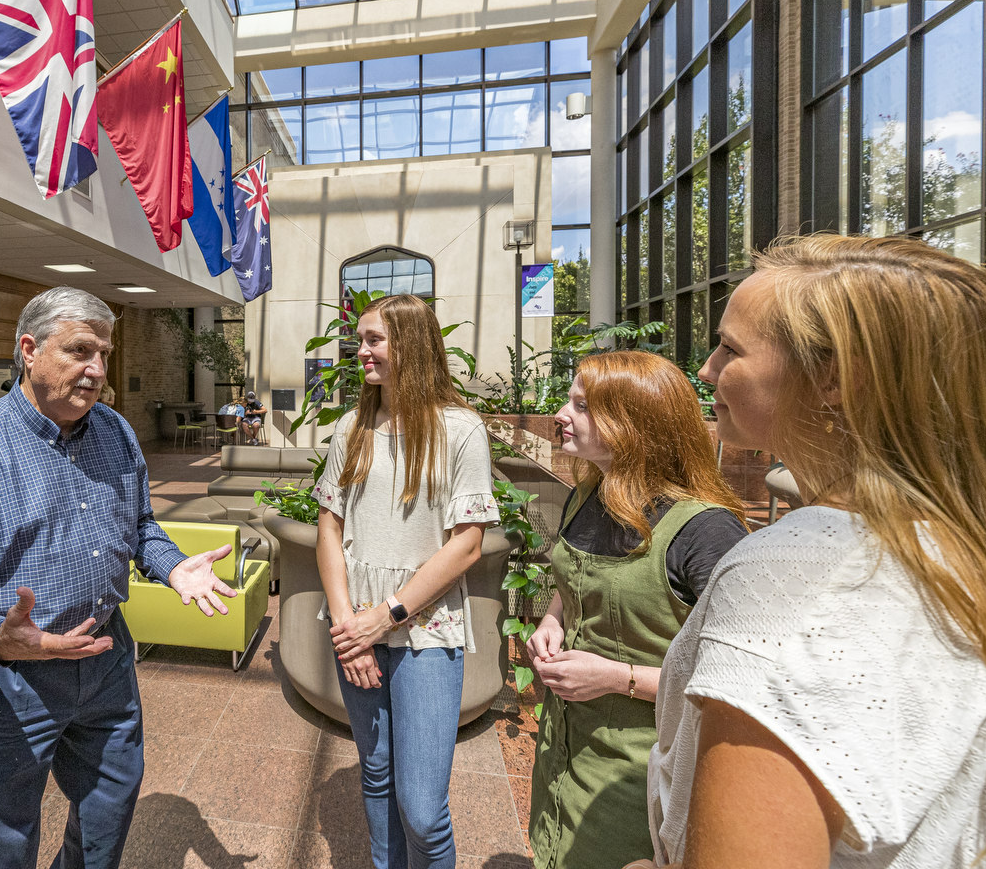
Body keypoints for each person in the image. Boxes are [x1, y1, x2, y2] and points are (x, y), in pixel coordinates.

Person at [646, 234, 986, 868]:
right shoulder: (957, 545)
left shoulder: (788, 575)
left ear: (833, 376)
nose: (707, 371)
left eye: (730, 349)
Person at [0, 286, 239, 869]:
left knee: (110, 809)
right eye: (80, 351)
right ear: (29, 350)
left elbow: (141, 526)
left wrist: (171, 565)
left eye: (104, 354)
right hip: (10, 677)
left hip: (107, 659)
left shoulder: (114, 431)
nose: (97, 370)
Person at [524, 351, 748, 869]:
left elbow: (738, 686)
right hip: (567, 752)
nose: (561, 414)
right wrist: (554, 616)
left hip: (639, 776)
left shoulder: (706, 532)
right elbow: (575, 577)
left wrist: (616, 677)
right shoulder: (587, 494)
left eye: (582, 406)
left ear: (634, 424)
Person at [313, 293, 498, 869]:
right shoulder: (352, 426)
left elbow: (467, 543)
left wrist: (385, 616)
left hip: (424, 627)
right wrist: (349, 629)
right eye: (360, 340)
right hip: (355, 625)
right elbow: (328, 528)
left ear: (412, 345)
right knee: (376, 773)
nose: (360, 351)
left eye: (374, 340)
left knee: (422, 809)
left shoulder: (460, 429)